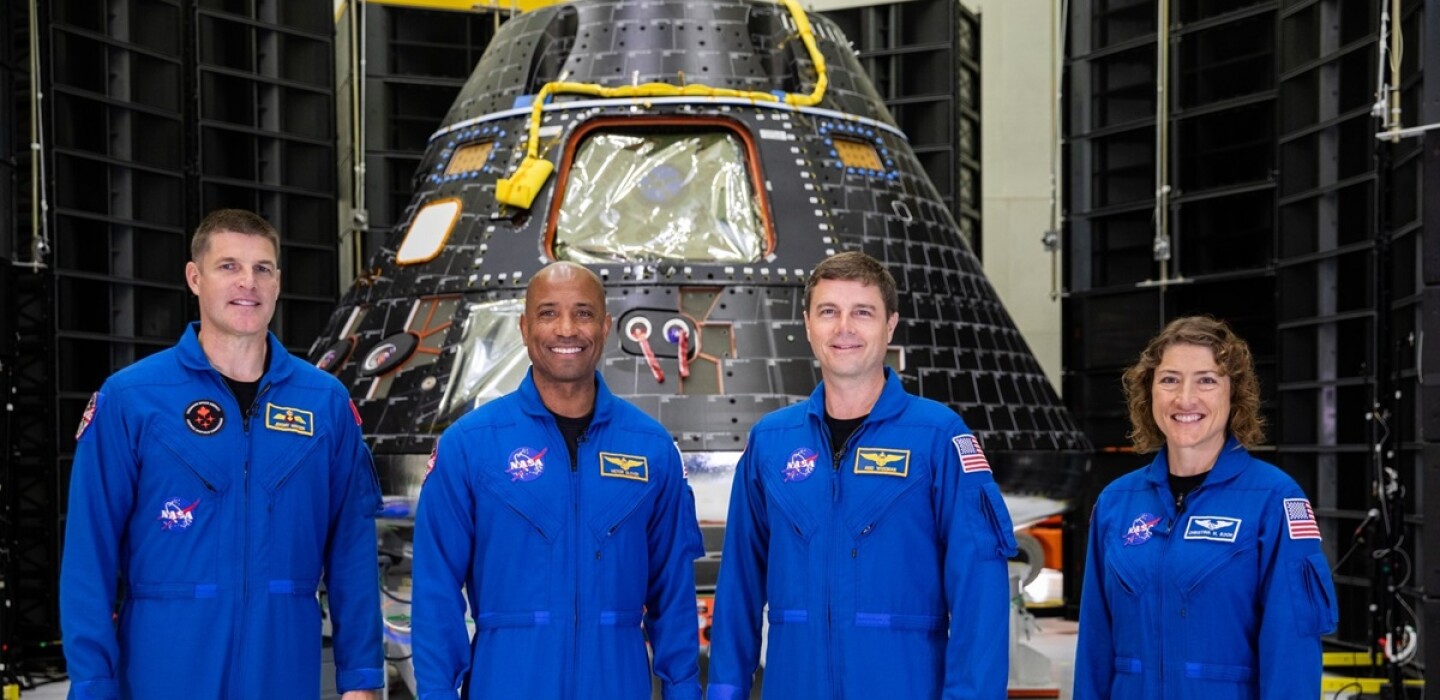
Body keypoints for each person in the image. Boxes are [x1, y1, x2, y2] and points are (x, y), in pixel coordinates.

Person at [60, 209, 384, 698]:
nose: (248, 283)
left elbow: (352, 552)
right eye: (229, 266)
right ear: (195, 278)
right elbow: (89, 554)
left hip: (282, 669)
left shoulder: (325, 403)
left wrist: (360, 677)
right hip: (163, 672)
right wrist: (92, 685)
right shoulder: (132, 399)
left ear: (278, 283)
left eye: (262, 268)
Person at [705, 251, 1018, 699]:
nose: (844, 328)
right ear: (808, 325)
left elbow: (980, 594)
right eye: (828, 312)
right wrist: (724, 692)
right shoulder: (771, 442)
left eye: (863, 313)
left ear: (890, 325)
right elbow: (739, 587)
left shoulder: (938, 437)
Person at [411, 261, 704, 699]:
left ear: (605, 327)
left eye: (583, 313)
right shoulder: (469, 446)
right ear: (524, 327)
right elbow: (435, 591)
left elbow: (674, 595)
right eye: (548, 313)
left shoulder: (651, 448)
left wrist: (683, 692)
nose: (567, 329)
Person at [1074, 316, 1339, 699]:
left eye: (1207, 380)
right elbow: (1094, 649)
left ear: (1235, 394)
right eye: (1169, 379)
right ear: (1149, 392)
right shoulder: (1116, 503)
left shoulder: (1274, 500)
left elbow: (1291, 656)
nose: (1185, 399)